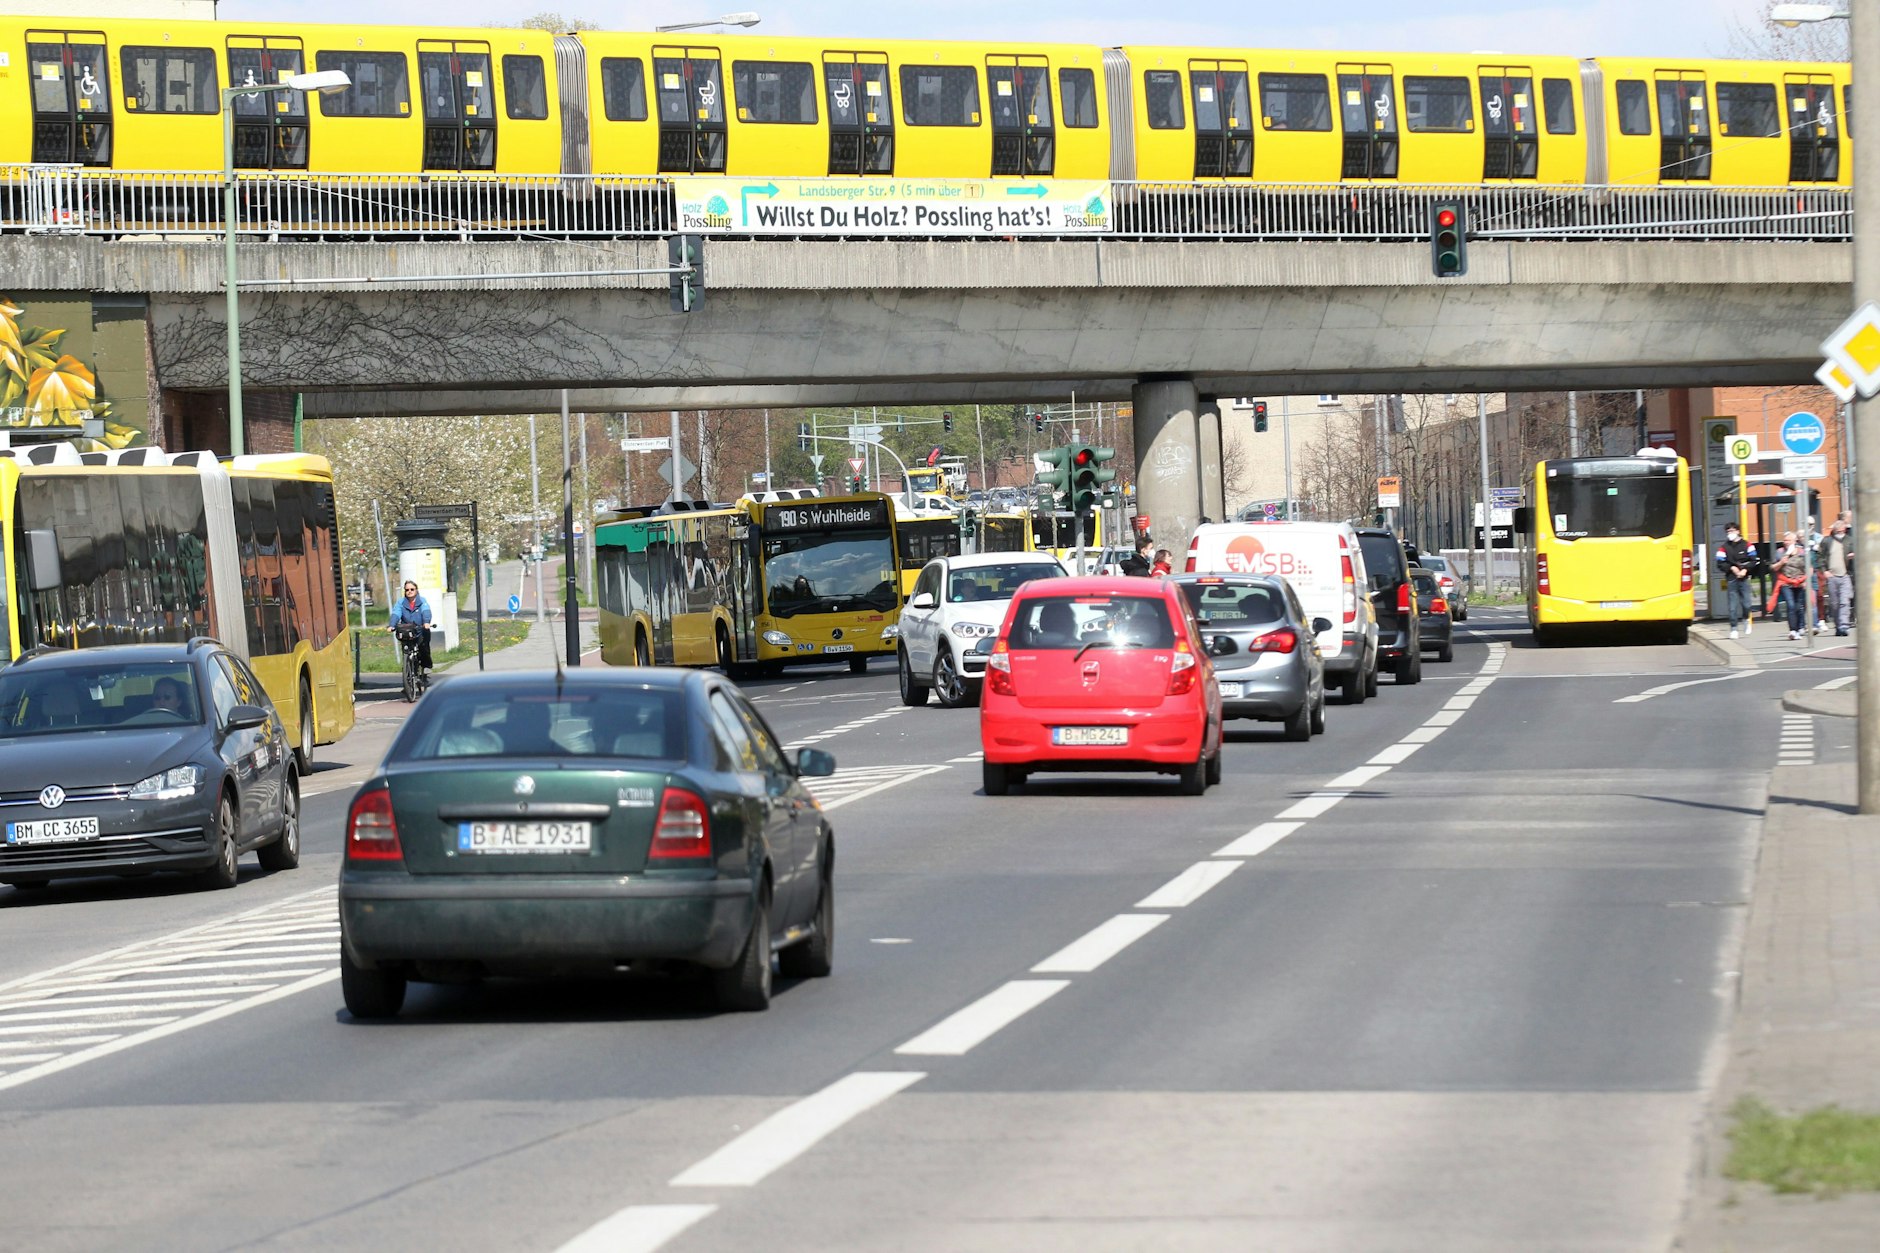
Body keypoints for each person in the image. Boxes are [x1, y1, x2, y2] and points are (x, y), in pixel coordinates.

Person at [1715, 522, 1756, 639]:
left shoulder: (1747, 545)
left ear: (1738, 531)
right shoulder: (1723, 547)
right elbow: (1720, 563)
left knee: (1747, 604)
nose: (1730, 534)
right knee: (1732, 605)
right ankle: (1733, 628)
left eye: (1732, 531)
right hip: (1731, 578)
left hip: (1745, 577)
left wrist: (1745, 570)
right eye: (1728, 532)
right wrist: (1732, 568)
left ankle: (1746, 618)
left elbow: (1754, 560)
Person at [1768, 531, 1810, 640]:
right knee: (1790, 605)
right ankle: (1792, 630)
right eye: (1785, 540)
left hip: (1799, 582)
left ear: (1794, 541)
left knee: (1798, 606)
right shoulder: (1780, 552)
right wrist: (1781, 562)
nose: (1786, 542)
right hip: (1786, 582)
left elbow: (1808, 567)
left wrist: (1805, 580)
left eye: (1788, 540)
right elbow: (1773, 568)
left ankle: (1799, 627)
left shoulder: (1801, 552)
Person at [1818, 517, 1854, 636]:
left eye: (1841, 529)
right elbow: (1821, 557)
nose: (1840, 531)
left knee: (1845, 601)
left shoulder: (1849, 540)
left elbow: (1856, 553)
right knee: (1835, 603)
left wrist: (1853, 555)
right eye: (1837, 530)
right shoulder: (1827, 541)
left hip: (1845, 575)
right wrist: (1825, 571)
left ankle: (1844, 625)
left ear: (1844, 529)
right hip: (1832, 576)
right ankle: (1838, 625)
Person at [388, 580, 434, 673]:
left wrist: (426, 622)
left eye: (412, 589)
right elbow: (396, 613)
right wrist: (392, 625)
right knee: (406, 649)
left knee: (423, 647)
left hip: (421, 629)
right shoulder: (401, 603)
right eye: (407, 589)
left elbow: (426, 611)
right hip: (407, 631)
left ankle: (426, 666)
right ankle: (407, 669)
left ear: (416, 590)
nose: (409, 591)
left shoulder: (422, 601)